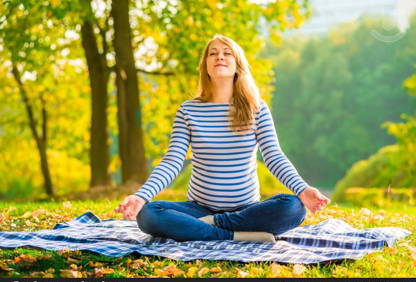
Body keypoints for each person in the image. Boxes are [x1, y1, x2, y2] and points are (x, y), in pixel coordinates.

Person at [115, 34, 330, 243]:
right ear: (205, 65)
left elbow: (273, 156)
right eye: (213, 53)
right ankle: (231, 235)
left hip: (247, 210)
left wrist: (302, 190)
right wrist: (141, 196)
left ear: (238, 65)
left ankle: (209, 225)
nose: (219, 57)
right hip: (199, 208)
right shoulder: (188, 110)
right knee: (149, 214)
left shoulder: (256, 108)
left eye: (227, 53)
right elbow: (173, 161)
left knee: (292, 207)